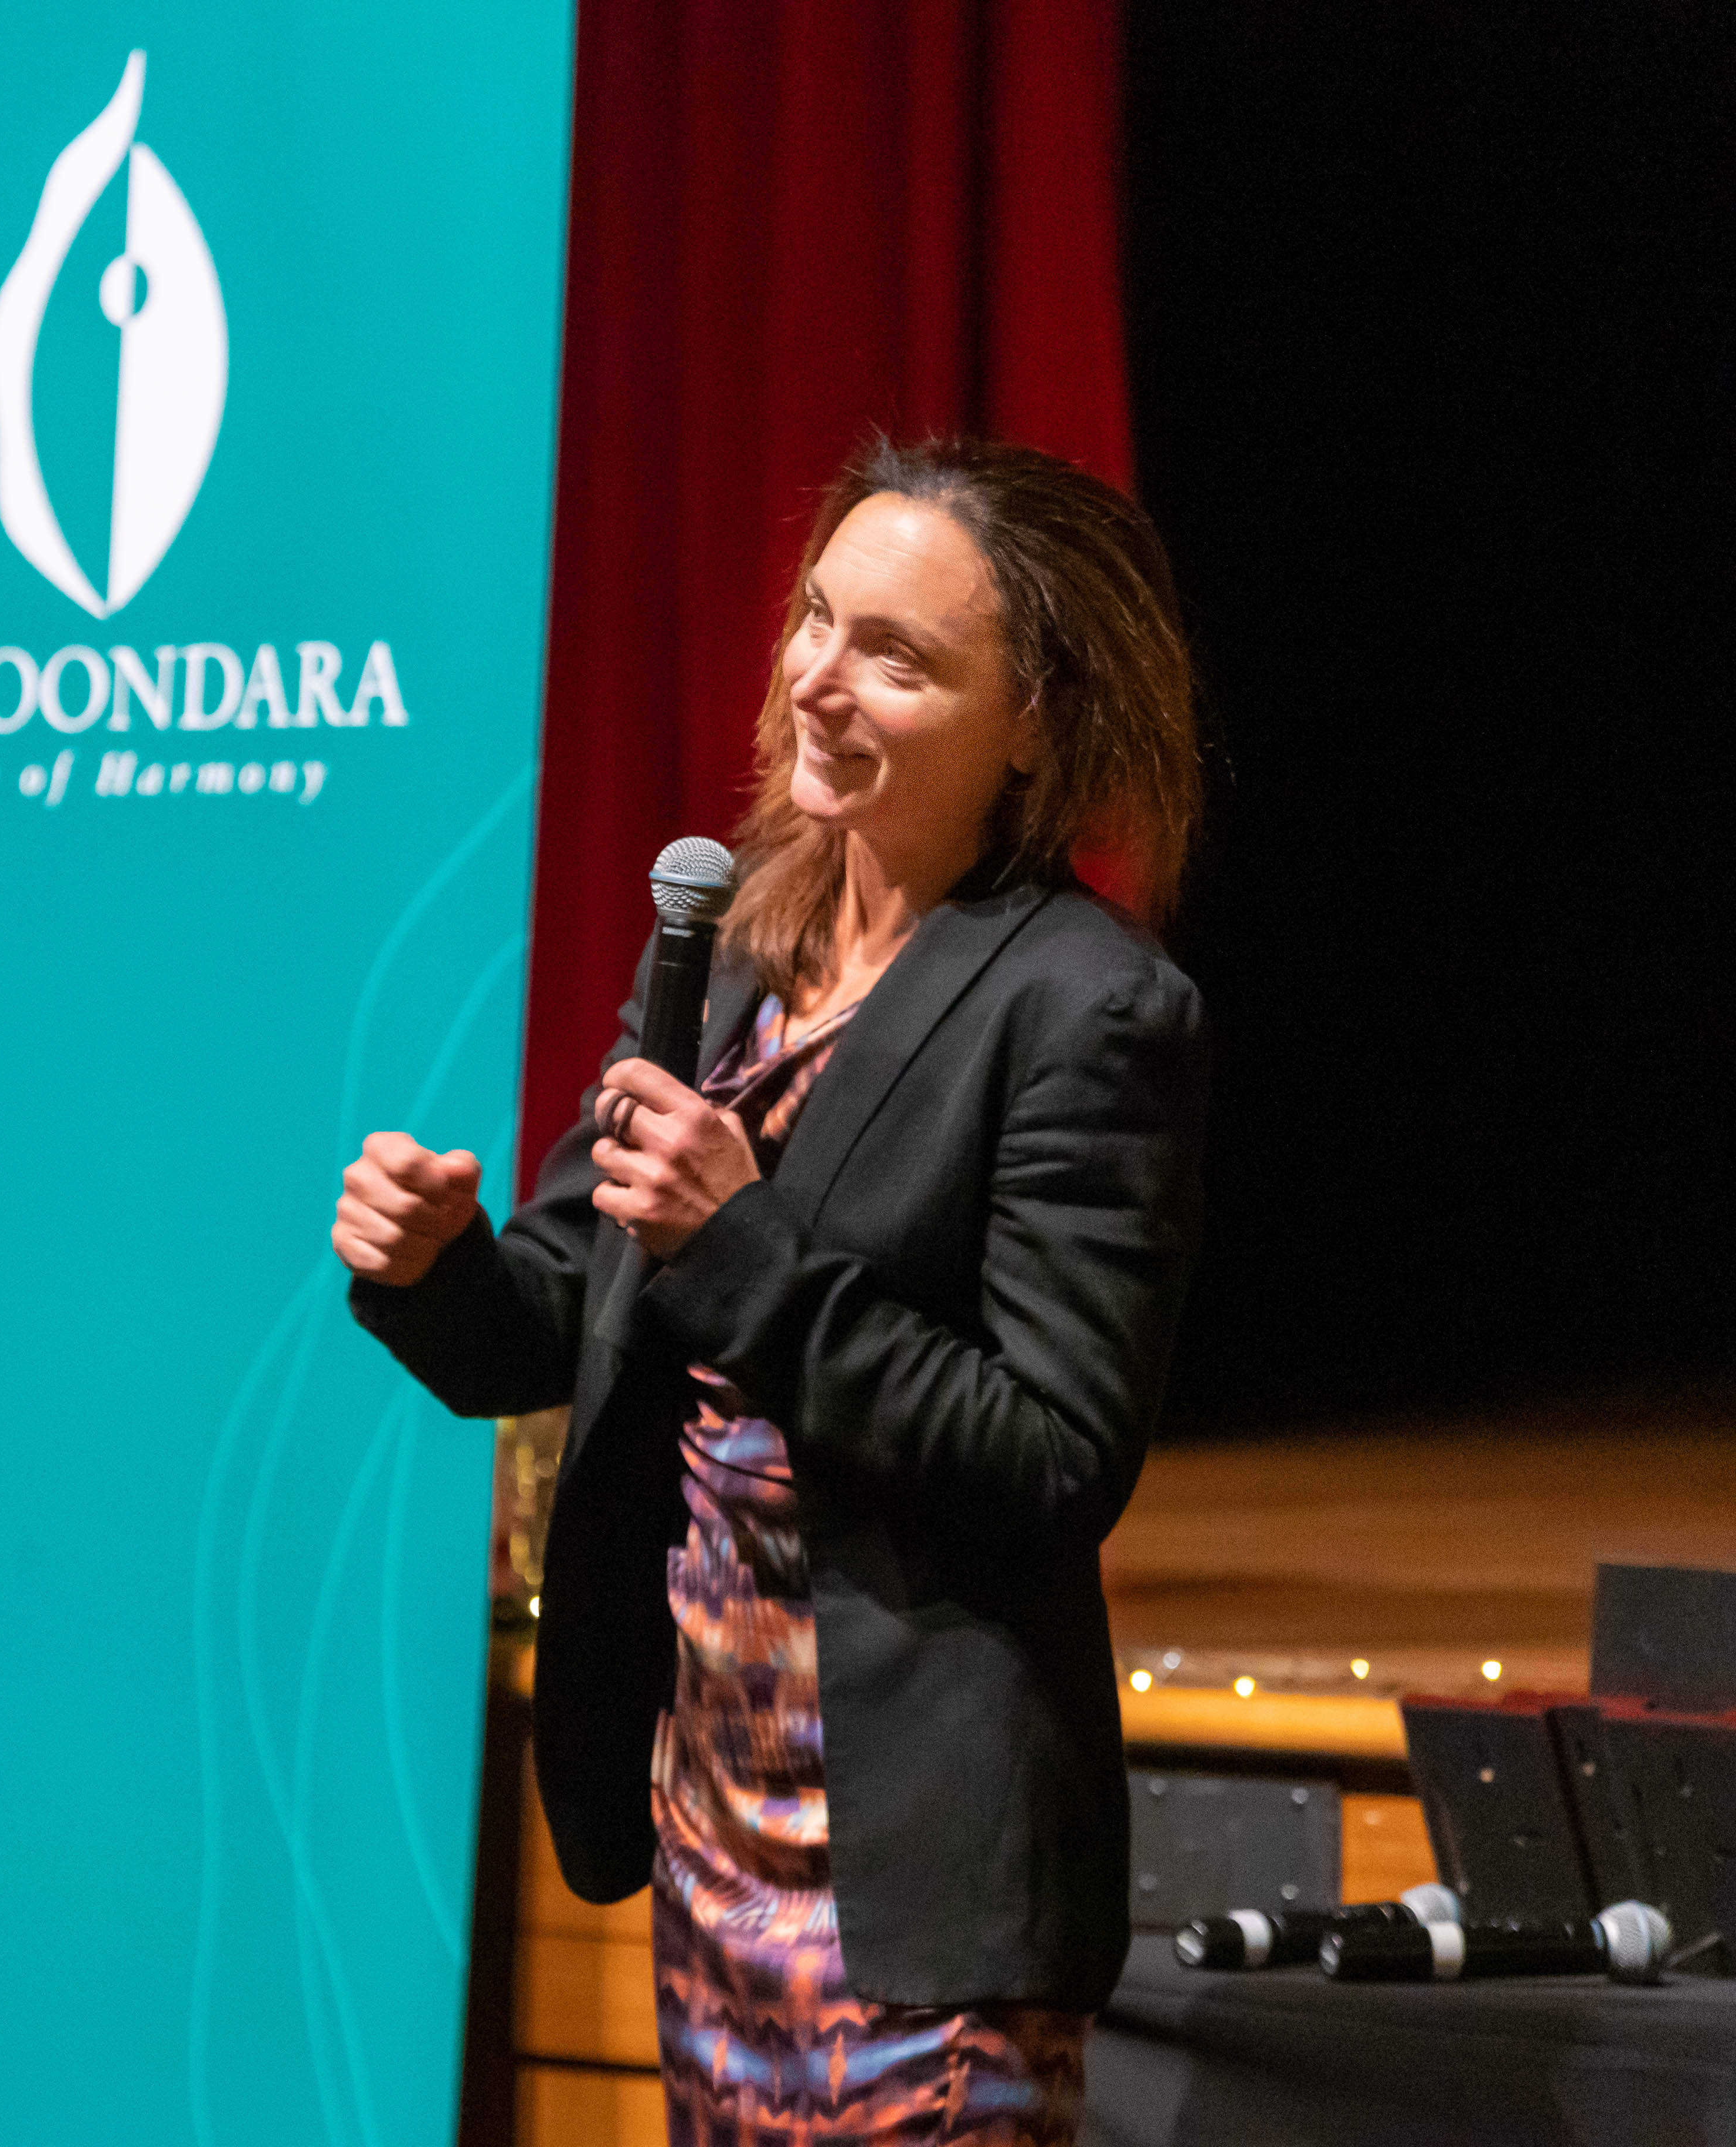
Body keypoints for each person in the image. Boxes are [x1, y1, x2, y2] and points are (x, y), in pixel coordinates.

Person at [334, 438, 1205, 2142]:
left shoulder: (1088, 1009)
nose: (820, 677)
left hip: (914, 1896)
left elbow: (1054, 1456)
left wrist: (747, 1254)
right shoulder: (738, 946)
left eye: (898, 654)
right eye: (819, 618)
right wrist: (439, 1272)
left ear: (1034, 723)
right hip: (713, 1855)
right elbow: (581, 1298)